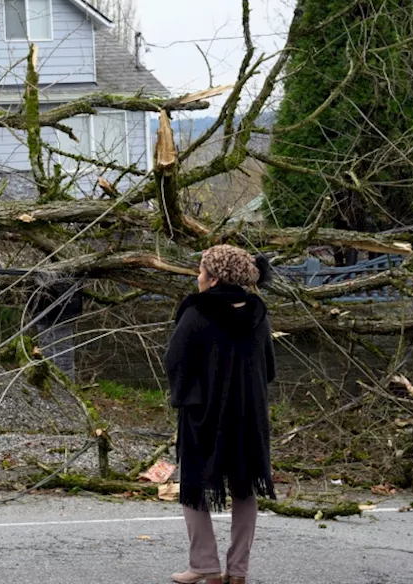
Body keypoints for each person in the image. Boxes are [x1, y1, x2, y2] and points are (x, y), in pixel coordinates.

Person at [163, 244, 277, 584]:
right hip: (249, 416)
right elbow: (268, 367)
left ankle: (205, 566)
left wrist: (187, 396)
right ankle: (238, 571)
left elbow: (174, 361)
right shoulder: (259, 314)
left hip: (205, 415)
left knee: (194, 485)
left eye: (200, 272)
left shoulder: (197, 312)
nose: (197, 278)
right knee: (245, 487)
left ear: (213, 280)